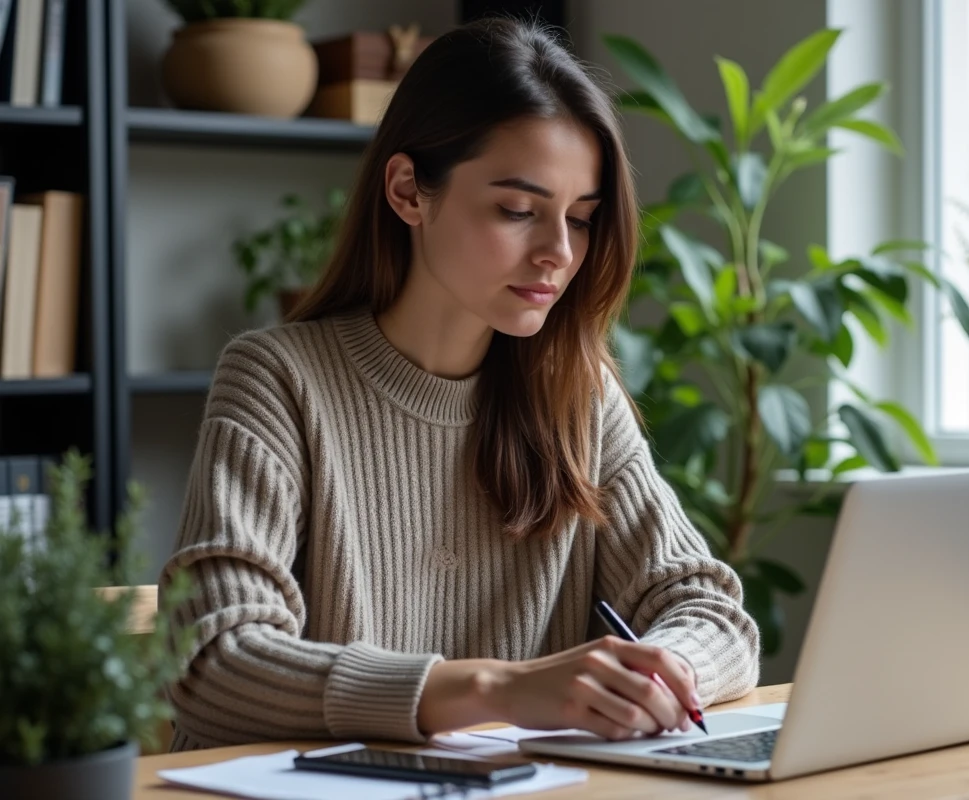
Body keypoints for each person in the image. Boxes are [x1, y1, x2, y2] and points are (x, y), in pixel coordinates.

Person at [159, 15, 760, 753]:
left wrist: (654, 677)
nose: (558, 254)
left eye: (581, 218)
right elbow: (214, 662)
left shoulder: (578, 393)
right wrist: (496, 690)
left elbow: (711, 611)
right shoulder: (278, 380)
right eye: (517, 211)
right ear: (410, 190)